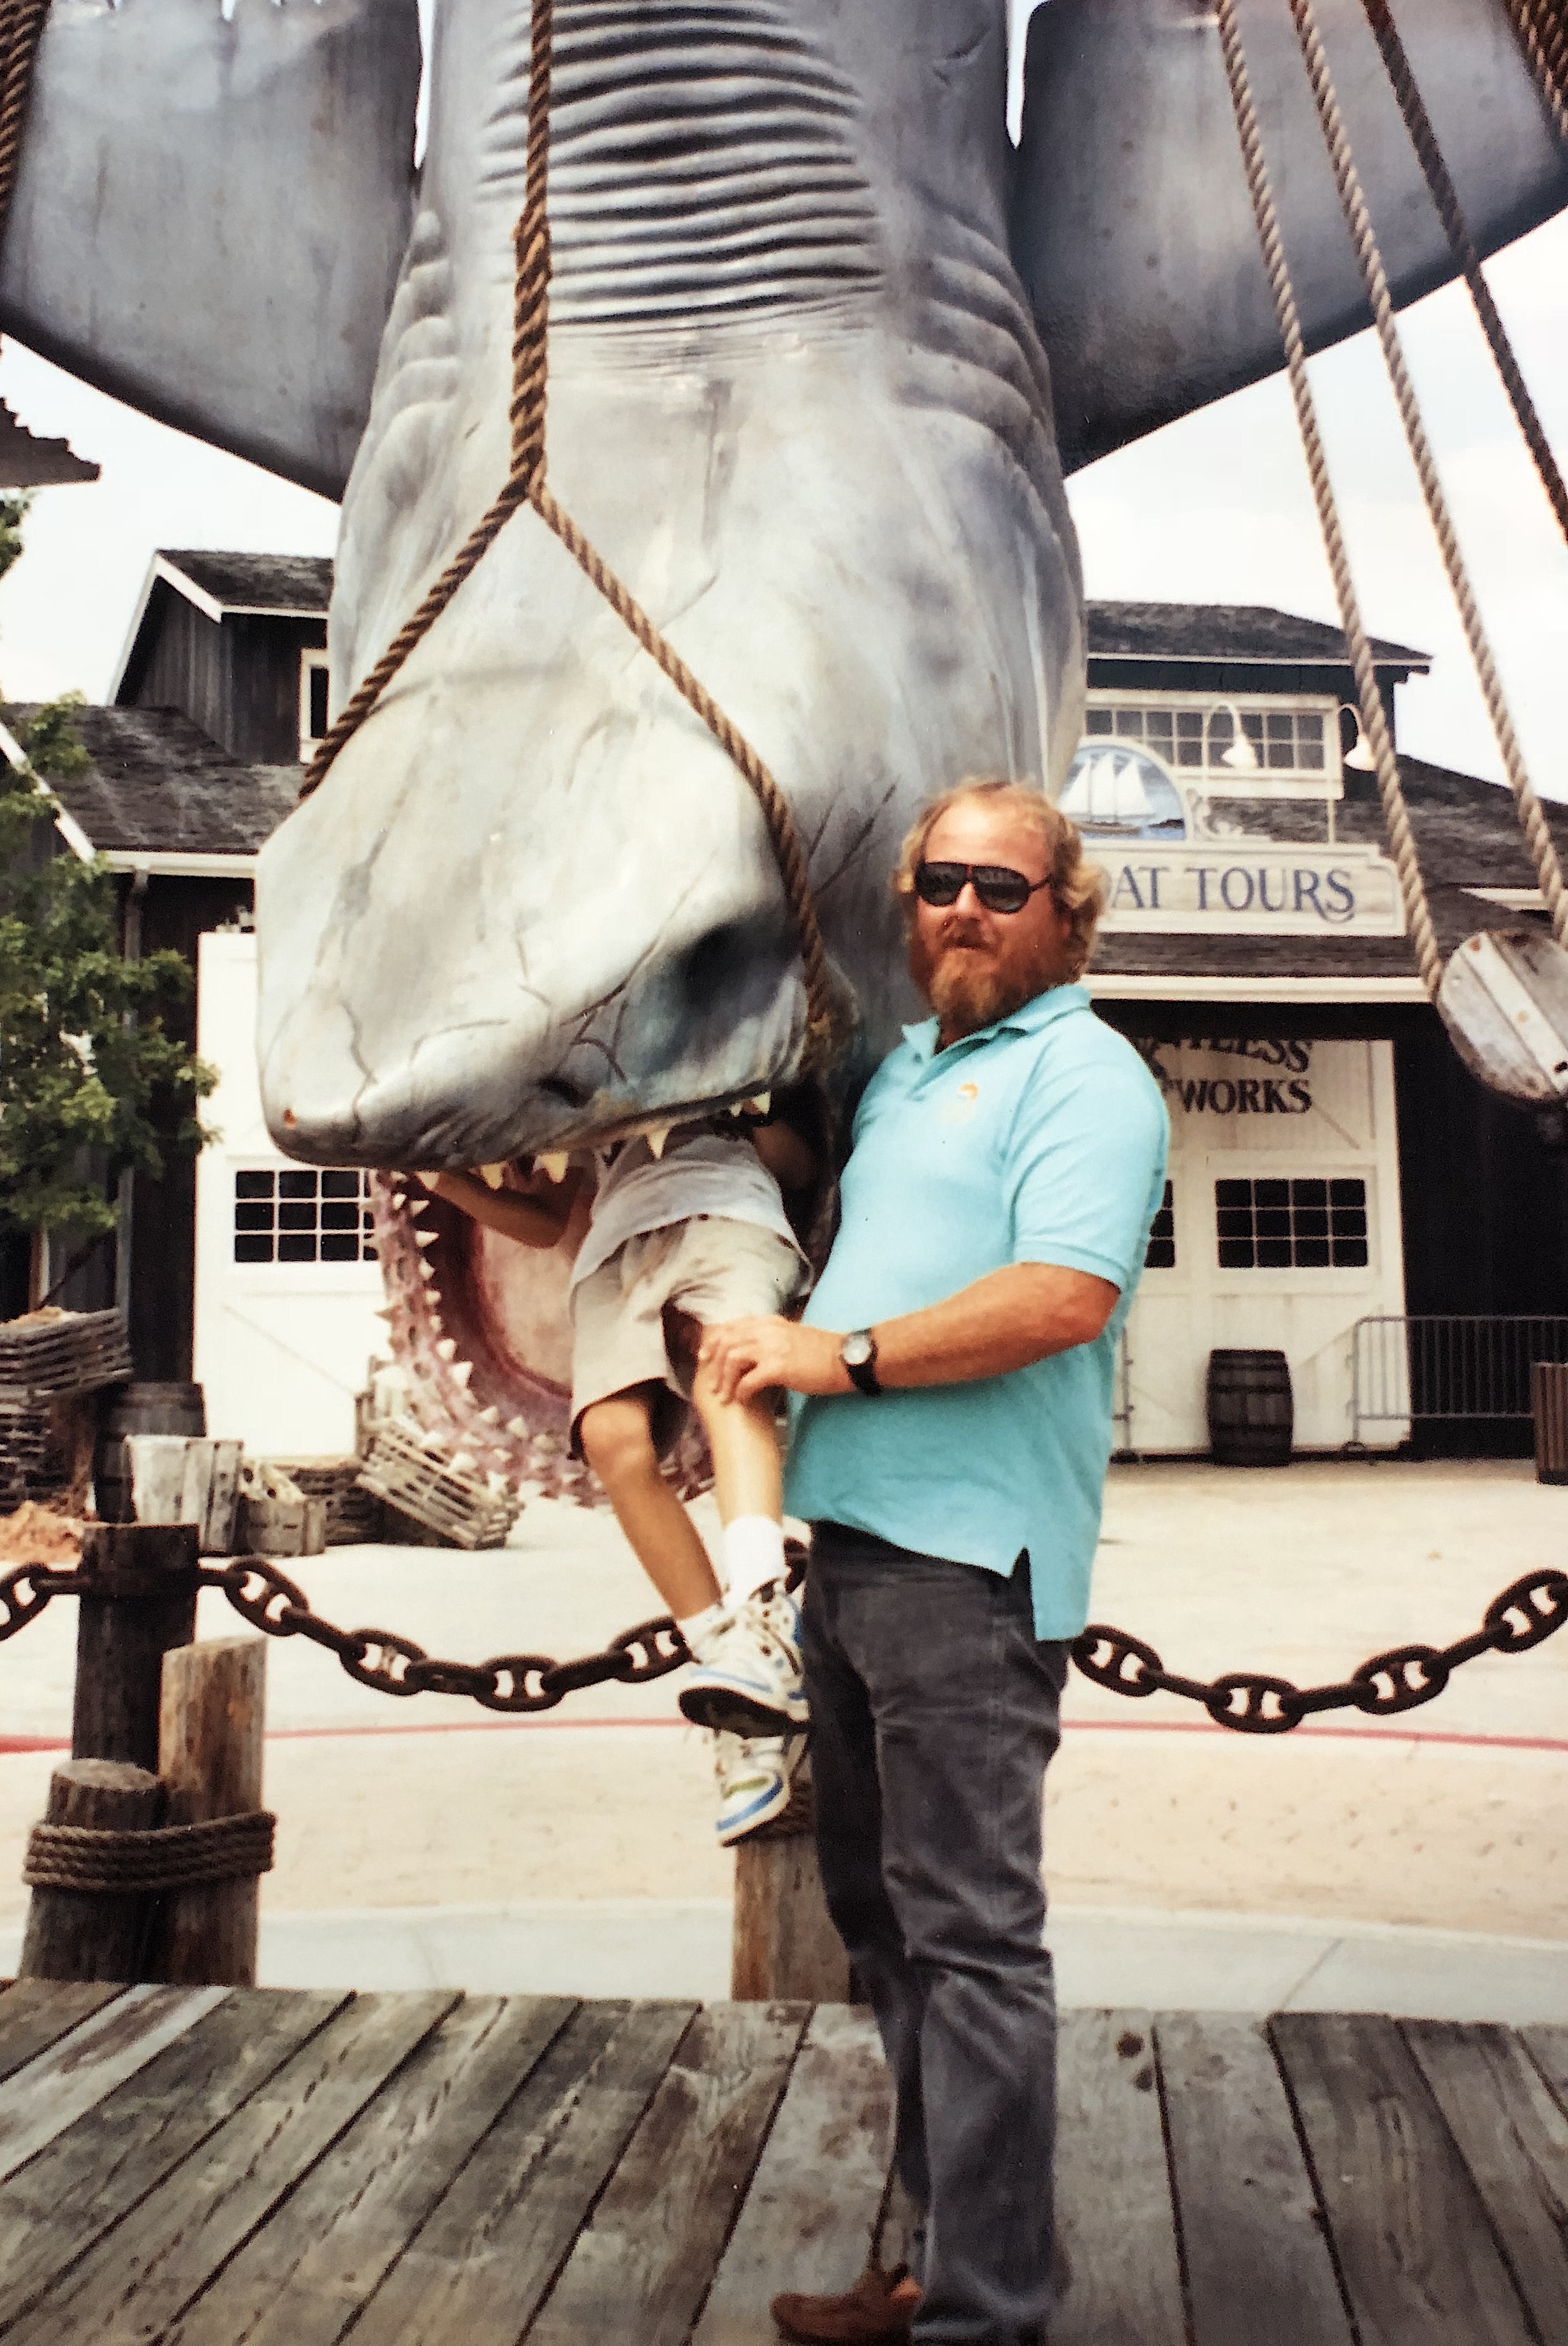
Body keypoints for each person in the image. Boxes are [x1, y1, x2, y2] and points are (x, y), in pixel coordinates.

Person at [700, 778, 1169, 2346]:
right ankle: (920, 2269)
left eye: (1005, 887)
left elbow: (1061, 1299)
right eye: (941, 883)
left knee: (972, 1939)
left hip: (971, 1571)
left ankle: (989, 2315)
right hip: (850, 1557)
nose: (966, 909)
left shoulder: (1086, 1079)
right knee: (889, 1935)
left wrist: (837, 1356)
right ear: (909, 908)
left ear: (1065, 913)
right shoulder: (906, 1075)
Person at [418, 1093, 823, 1843]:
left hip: (728, 1215)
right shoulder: (585, 1072)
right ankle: (734, 1682)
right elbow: (544, 1219)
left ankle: (761, 1612)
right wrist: (440, 1179)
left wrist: (746, 1105)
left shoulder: (740, 1043)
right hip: (618, 1247)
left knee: (728, 1374)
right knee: (611, 1438)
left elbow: (801, 1165)